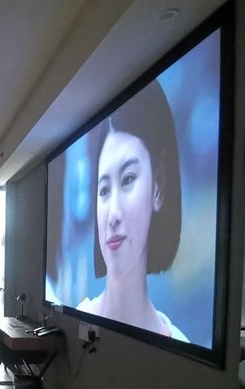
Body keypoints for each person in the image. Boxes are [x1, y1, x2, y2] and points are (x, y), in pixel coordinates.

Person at [77, 80, 188, 341]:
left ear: (158, 184)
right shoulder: (79, 318)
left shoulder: (178, 341)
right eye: (104, 190)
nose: (113, 214)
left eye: (128, 179)